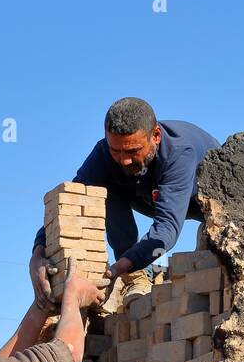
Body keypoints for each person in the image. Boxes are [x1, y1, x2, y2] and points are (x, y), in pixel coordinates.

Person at [30, 97, 219, 312]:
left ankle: (135, 267)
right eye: (116, 150)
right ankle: (137, 276)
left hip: (210, 199)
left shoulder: (179, 153)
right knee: (99, 187)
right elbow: (70, 202)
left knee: (214, 249)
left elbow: (167, 228)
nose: (124, 160)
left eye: (132, 151)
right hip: (150, 195)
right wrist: (37, 254)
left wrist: (115, 271)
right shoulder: (104, 154)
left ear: (155, 136)